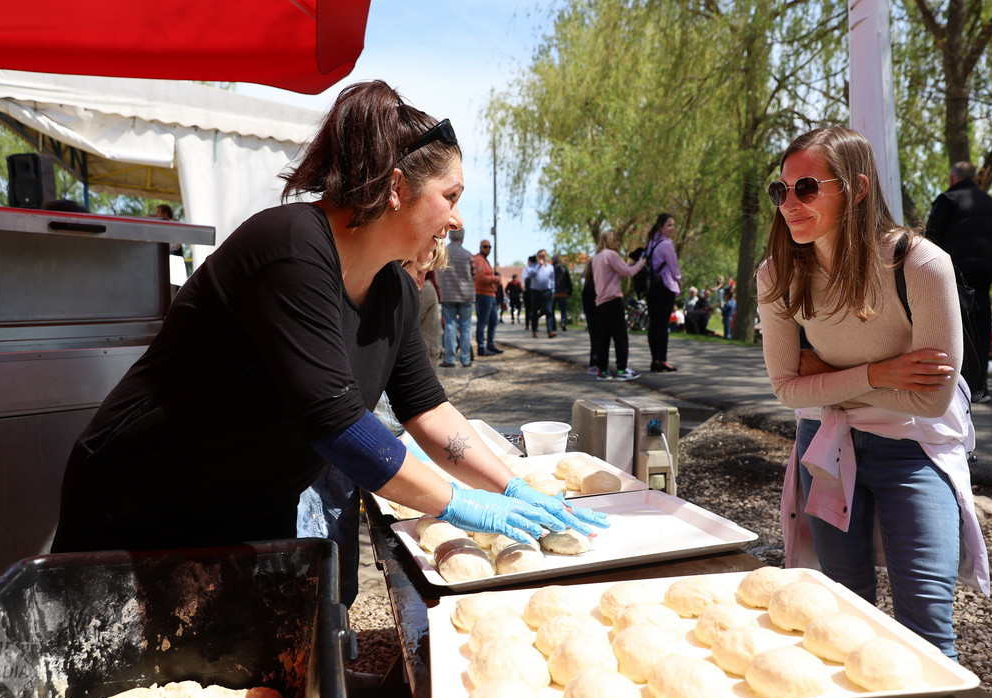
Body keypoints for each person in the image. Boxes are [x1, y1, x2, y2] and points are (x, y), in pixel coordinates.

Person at [49, 81, 606, 606]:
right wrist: (457, 502)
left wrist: (511, 487)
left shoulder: (395, 291)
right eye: (451, 196)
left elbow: (427, 408)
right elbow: (336, 423)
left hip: (249, 511)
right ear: (397, 188)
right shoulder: (291, 247)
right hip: (144, 505)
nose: (457, 220)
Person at [756, 126, 988, 660]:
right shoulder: (777, 273)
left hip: (914, 450)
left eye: (806, 188)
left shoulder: (921, 264)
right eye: (780, 190)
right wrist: (879, 373)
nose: (789, 204)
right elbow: (787, 390)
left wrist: (827, 378)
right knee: (841, 615)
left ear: (857, 188)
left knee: (927, 628)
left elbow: (931, 401)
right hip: (826, 446)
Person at [923, 161, 992, 402]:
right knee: (982, 326)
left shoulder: (948, 199)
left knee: (953, 327)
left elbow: (931, 238)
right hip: (985, 272)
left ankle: (957, 386)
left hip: (956, 272)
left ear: (952, 178)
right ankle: (982, 386)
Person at [590, 230, 646, 381]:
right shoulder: (611, 255)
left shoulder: (596, 257)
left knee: (603, 338)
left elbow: (615, 272)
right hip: (613, 300)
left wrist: (629, 266)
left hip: (600, 302)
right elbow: (628, 272)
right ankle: (622, 369)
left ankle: (602, 371)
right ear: (613, 241)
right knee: (620, 336)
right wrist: (641, 262)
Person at [643, 213, 681, 372]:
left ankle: (655, 360)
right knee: (662, 324)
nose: (672, 228)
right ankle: (662, 360)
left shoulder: (651, 243)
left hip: (652, 287)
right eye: (669, 225)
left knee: (654, 324)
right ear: (660, 226)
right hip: (665, 286)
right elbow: (674, 268)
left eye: (673, 225)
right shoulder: (666, 244)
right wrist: (679, 281)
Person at [436, 227, 475, 367]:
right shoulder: (468, 255)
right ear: (462, 238)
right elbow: (474, 275)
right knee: (466, 327)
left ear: (450, 236)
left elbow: (437, 273)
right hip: (466, 295)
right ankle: (465, 359)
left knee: (449, 327)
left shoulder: (443, 253)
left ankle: (450, 359)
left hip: (448, 295)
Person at [471, 238, 503, 356]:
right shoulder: (478, 259)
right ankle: (481, 347)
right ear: (480, 247)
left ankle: (490, 344)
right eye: (485, 246)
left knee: (493, 320)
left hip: (490, 294)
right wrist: (495, 278)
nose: (488, 249)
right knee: (482, 322)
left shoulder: (485, 260)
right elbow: (481, 278)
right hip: (483, 294)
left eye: (489, 247)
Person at [526, 248, 557, 338]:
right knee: (534, 311)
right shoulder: (532, 266)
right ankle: (534, 330)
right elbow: (529, 275)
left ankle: (550, 331)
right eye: (540, 256)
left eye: (543, 256)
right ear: (537, 257)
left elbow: (552, 280)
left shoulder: (550, 267)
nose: (542, 257)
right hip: (535, 291)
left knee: (548, 311)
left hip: (547, 291)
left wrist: (553, 291)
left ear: (546, 256)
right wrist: (538, 266)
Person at [581, 259, 603, 374]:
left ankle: (594, 362)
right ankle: (595, 363)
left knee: (595, 339)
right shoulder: (594, 282)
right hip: (595, 313)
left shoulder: (587, 282)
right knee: (598, 339)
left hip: (591, 314)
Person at [552, 254, 573, 331]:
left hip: (553, 292)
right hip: (563, 292)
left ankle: (553, 325)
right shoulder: (564, 269)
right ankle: (563, 322)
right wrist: (570, 292)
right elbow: (568, 281)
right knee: (563, 310)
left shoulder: (551, 269)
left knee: (552, 310)